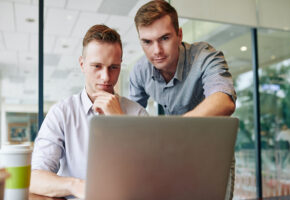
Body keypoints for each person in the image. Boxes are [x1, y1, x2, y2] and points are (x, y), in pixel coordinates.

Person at [129, 0, 236, 199]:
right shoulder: (140, 71)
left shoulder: (205, 56)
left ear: (179, 35)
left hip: (212, 152)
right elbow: (132, 119)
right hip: (174, 155)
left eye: (164, 38)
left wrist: (176, 130)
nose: (157, 51)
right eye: (147, 42)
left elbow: (224, 101)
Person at [30, 25, 148, 199]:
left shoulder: (138, 114)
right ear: (82, 64)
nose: (106, 77)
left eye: (113, 67)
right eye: (97, 66)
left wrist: (119, 122)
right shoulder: (62, 113)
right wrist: (76, 185)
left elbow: (147, 177)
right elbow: (35, 178)